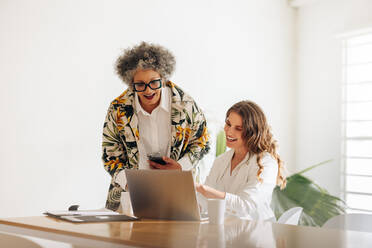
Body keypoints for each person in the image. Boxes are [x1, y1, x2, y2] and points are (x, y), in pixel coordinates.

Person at [102, 42, 210, 211]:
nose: (148, 90)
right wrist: (130, 184)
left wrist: (181, 166)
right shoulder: (118, 109)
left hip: (177, 191)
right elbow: (111, 156)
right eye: (140, 85)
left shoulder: (185, 105)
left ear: (163, 78)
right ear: (131, 83)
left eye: (154, 82)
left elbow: (202, 142)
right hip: (130, 196)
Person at [196, 100, 286, 220]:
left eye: (238, 128)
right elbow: (203, 199)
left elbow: (246, 206)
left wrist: (205, 190)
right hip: (228, 231)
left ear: (252, 133)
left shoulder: (266, 164)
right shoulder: (221, 160)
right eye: (228, 124)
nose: (229, 131)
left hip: (257, 232)